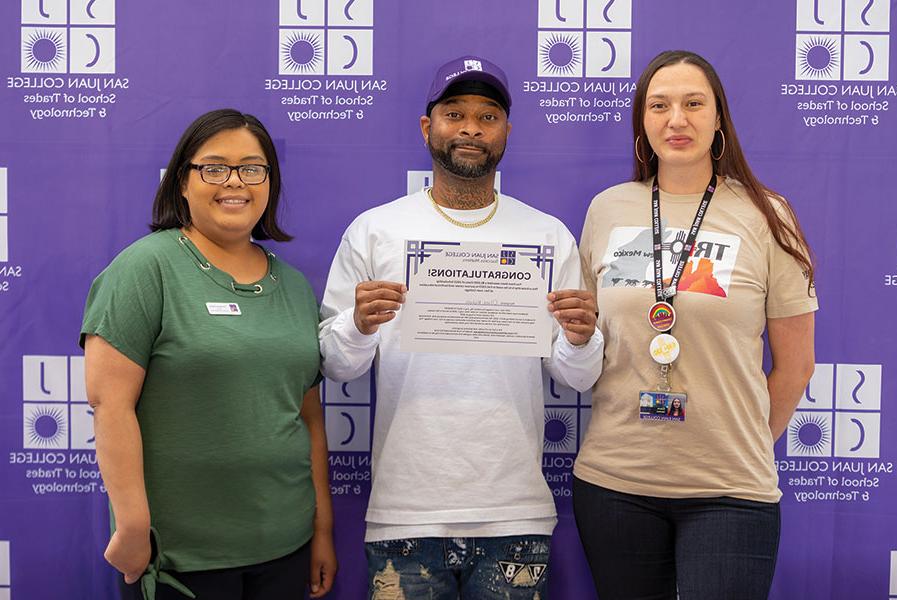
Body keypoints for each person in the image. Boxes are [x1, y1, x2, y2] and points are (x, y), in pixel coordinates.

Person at [319, 55, 604, 599]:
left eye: (488, 116)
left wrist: (581, 337)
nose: (471, 128)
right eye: (455, 113)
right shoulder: (375, 230)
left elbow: (576, 378)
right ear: (429, 127)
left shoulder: (547, 236)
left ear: (506, 133)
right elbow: (337, 364)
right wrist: (357, 325)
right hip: (406, 512)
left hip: (513, 511)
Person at [573, 50, 817, 600]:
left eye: (693, 104)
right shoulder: (607, 210)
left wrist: (739, 439)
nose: (676, 120)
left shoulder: (768, 215)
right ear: (642, 120)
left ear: (718, 119)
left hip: (729, 489)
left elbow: (797, 364)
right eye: (659, 105)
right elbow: (584, 344)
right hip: (615, 483)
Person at [81, 109, 336, 600]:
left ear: (269, 182)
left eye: (252, 168)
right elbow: (110, 405)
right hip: (180, 558)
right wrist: (133, 527)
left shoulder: (296, 286)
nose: (234, 182)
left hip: (285, 548)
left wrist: (321, 530)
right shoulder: (144, 269)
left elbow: (308, 416)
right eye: (214, 167)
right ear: (182, 181)